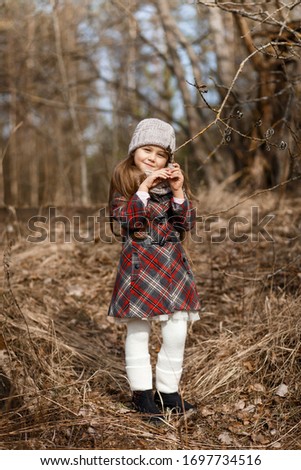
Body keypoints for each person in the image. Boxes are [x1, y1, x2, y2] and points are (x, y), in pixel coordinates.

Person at [108, 118, 201, 422]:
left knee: (176, 330)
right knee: (138, 331)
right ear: (135, 149)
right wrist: (145, 187)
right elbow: (127, 220)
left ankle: (168, 392)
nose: (152, 157)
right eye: (146, 149)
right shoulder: (123, 181)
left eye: (160, 154)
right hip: (139, 267)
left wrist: (178, 191)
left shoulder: (171, 183)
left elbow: (185, 224)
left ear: (168, 159)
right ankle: (142, 395)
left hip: (173, 267)